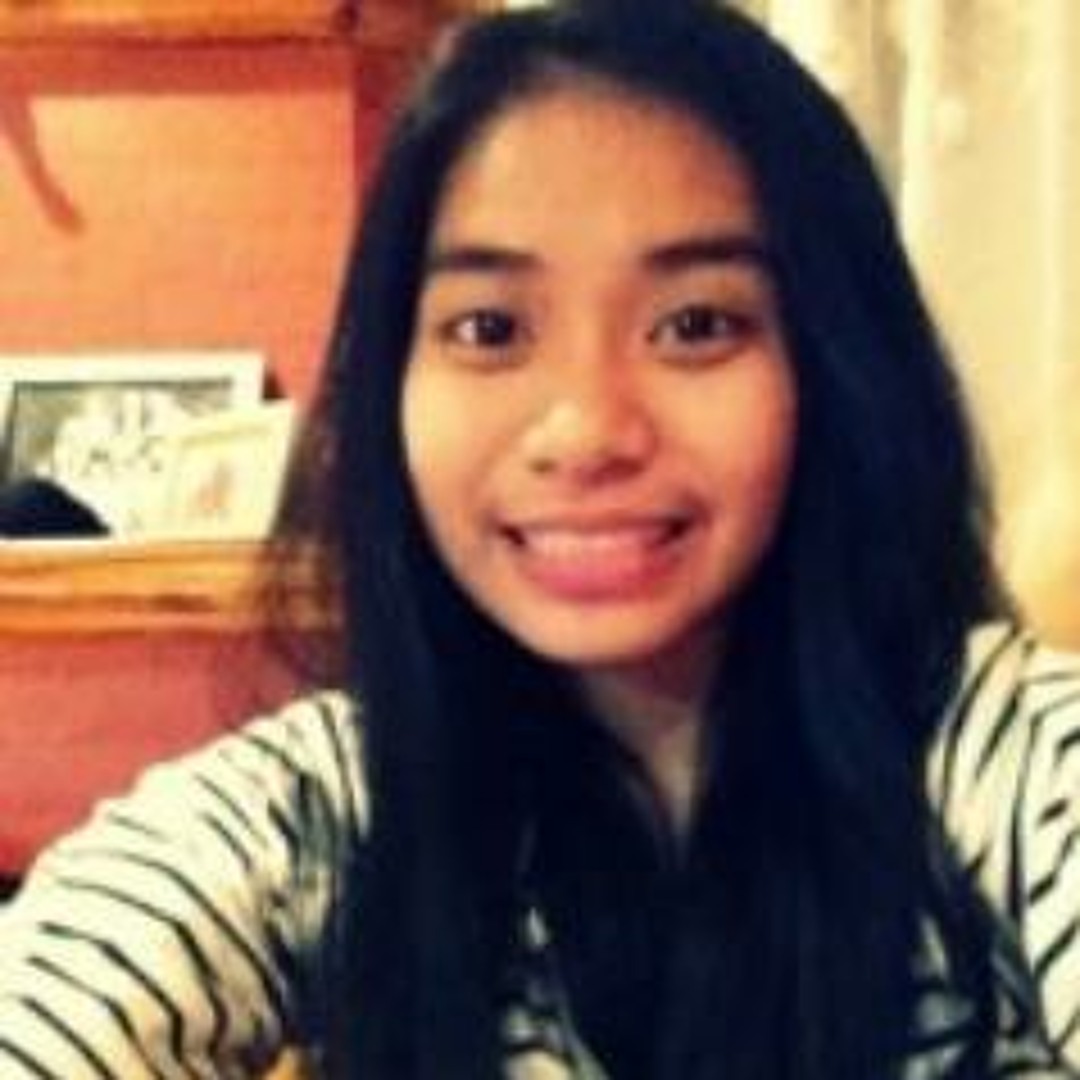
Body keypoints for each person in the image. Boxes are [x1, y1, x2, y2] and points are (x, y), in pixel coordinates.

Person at [1, 1, 1078, 1077]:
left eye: (696, 325)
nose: (584, 432)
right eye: (491, 329)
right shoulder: (322, 813)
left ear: (836, 362)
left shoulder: (1004, 757)